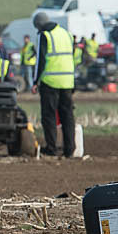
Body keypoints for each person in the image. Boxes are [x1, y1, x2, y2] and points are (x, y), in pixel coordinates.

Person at [31, 12, 76, 158]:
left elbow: (40, 61)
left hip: (50, 82)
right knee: (67, 116)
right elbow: (71, 57)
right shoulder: (66, 34)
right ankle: (70, 149)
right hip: (67, 81)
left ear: (38, 25)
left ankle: (51, 147)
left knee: (49, 116)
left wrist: (35, 81)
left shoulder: (45, 35)